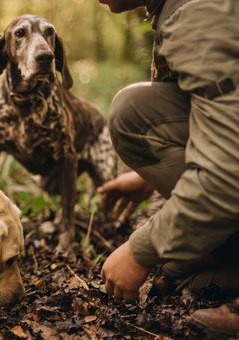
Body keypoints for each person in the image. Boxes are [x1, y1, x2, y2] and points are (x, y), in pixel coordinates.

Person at [96, 0, 239, 335]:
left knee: (167, 258)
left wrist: (140, 250)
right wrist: (149, 179)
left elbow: (227, 174)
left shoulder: (200, 11)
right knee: (181, 269)